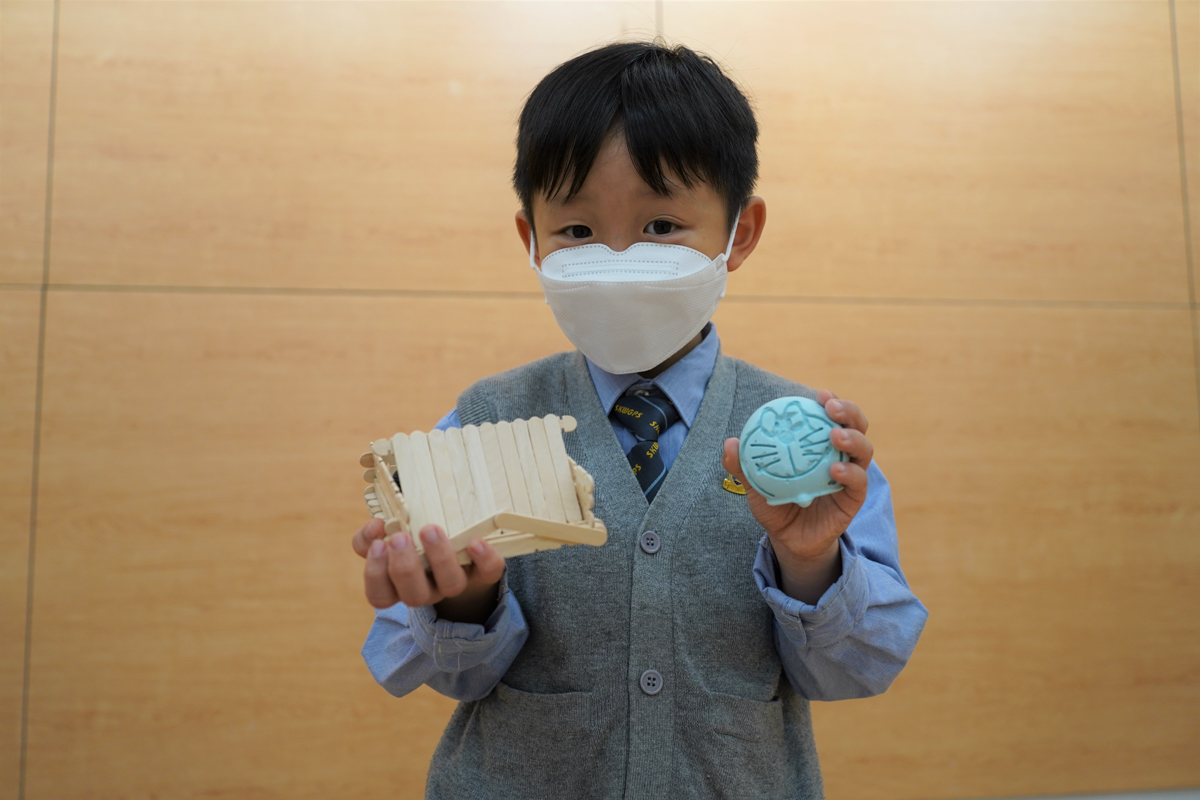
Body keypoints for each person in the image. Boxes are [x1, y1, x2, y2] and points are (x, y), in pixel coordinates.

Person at [350, 41, 927, 800]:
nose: (618, 258)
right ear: (531, 240)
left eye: (660, 225)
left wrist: (812, 562)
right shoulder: (484, 423)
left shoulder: (811, 446)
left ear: (739, 234)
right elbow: (431, 668)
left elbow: (858, 668)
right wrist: (462, 597)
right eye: (577, 232)